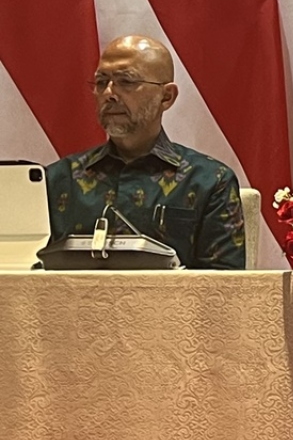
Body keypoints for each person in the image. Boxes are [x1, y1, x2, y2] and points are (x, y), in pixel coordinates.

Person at [45, 35, 246, 269]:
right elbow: (26, 272)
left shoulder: (209, 181)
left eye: (126, 81)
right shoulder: (57, 180)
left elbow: (225, 283)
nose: (109, 93)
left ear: (166, 97)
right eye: (101, 82)